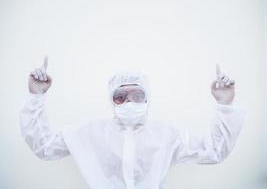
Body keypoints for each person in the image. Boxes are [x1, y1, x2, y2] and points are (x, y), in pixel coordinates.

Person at [19, 57, 245, 189]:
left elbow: (214, 152)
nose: (128, 102)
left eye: (137, 95)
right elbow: (44, 147)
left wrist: (224, 105)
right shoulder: (89, 133)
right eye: (120, 96)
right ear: (111, 101)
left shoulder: (167, 135)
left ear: (147, 99)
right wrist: (36, 97)